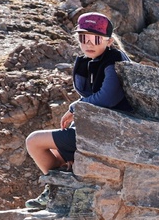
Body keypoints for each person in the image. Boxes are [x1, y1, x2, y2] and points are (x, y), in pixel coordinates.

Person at [24, 12, 133, 209]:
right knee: (56, 155)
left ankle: (55, 191)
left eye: (95, 38)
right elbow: (91, 96)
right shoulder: (89, 61)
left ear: (108, 41)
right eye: (84, 38)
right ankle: (57, 188)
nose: (89, 43)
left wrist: (74, 108)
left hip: (109, 131)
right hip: (94, 128)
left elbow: (108, 98)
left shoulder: (115, 60)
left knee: (34, 141)